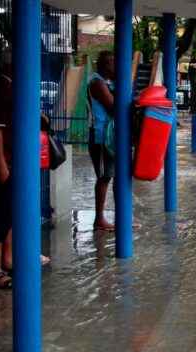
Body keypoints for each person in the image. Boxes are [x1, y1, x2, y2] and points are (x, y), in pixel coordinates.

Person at [0, 49, 49, 289]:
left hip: (12, 161)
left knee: (9, 213)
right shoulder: (0, 89)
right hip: (2, 163)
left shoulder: (11, 88)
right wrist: (1, 167)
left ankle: (7, 260)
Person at [88, 50, 116, 231]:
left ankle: (117, 216)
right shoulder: (97, 83)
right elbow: (113, 107)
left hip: (110, 136)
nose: (115, 67)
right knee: (104, 176)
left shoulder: (107, 82)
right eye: (113, 63)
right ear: (105, 65)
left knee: (113, 175)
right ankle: (99, 218)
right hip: (100, 137)